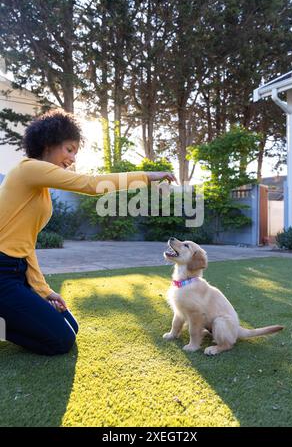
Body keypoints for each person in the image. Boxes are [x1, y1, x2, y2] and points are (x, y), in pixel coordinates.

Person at [0, 109, 176, 356]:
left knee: (70, 325)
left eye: (75, 153)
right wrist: (147, 177)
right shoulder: (27, 169)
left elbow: (25, 246)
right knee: (59, 342)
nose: (72, 158)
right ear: (49, 143)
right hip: (2, 273)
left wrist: (45, 291)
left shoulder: (41, 189)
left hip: (17, 272)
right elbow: (91, 184)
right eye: (69, 149)